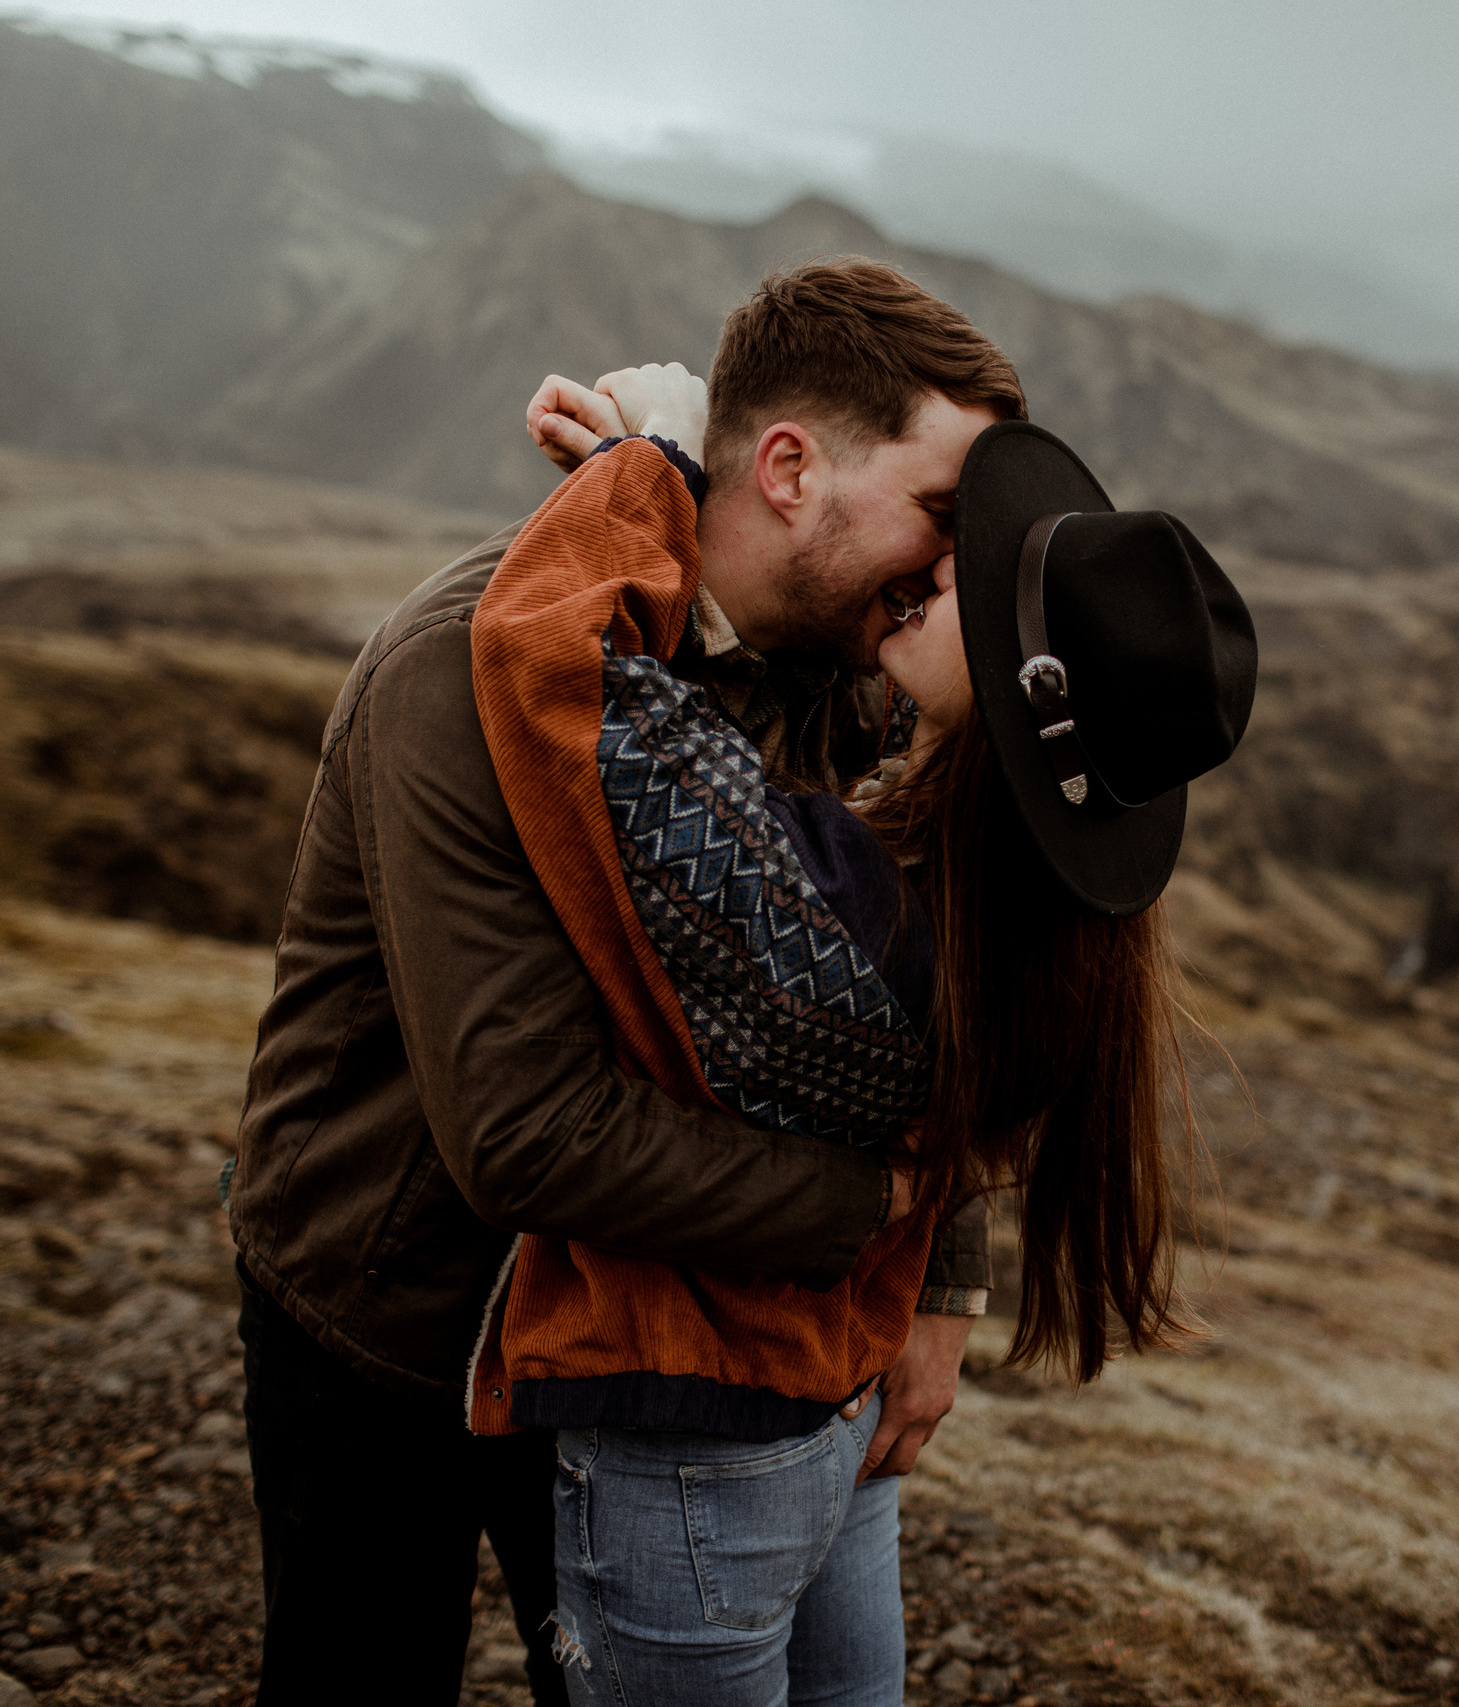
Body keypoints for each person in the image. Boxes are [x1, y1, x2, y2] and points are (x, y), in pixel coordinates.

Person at [227, 259, 1015, 1706]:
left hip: (636, 1327)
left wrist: (937, 1286)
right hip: (397, 1310)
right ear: (788, 468)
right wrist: (869, 1219)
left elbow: (907, 991)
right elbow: (522, 1132)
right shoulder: (460, 668)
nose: (955, 567)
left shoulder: (832, 665)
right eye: (945, 515)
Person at [487, 322, 1257, 1705]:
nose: (939, 560)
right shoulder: (1018, 917)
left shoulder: (843, 917)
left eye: (979, 574)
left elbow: (560, 674)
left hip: (699, 1440)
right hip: (835, 1399)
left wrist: (661, 468)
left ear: (1028, 699)